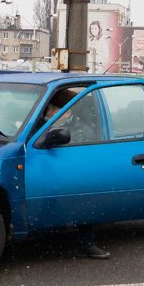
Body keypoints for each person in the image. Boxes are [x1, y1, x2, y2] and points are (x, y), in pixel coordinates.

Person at [40, 86, 110, 260]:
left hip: (70, 174)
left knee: (86, 198)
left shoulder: (80, 129)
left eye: (51, 110)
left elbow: (79, 157)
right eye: (47, 110)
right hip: (49, 172)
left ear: (65, 112)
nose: (48, 113)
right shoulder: (44, 125)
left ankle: (87, 244)